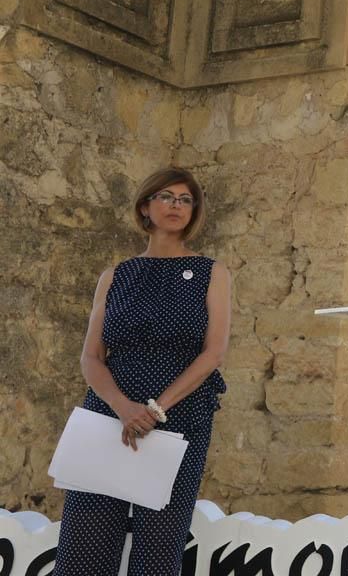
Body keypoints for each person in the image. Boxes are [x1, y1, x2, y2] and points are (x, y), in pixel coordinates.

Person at [53, 167, 230, 576]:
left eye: (186, 200)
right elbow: (90, 358)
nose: (176, 206)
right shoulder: (114, 276)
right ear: (145, 207)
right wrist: (123, 408)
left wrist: (154, 409)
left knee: (158, 550)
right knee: (84, 544)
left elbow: (213, 353)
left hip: (178, 418)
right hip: (109, 418)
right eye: (167, 197)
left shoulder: (211, 274)